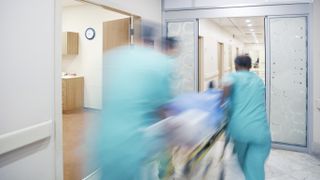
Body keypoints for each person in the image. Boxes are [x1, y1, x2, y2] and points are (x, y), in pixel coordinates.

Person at [95, 23, 177, 180]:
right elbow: (162, 109)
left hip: (106, 141)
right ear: (153, 40)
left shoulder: (113, 56)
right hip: (135, 145)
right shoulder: (159, 62)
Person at [221, 55, 271, 180]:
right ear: (250, 66)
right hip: (260, 131)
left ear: (236, 65)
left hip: (240, 129)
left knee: (245, 163)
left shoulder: (231, 77)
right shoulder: (259, 80)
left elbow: (223, 99)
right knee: (255, 166)